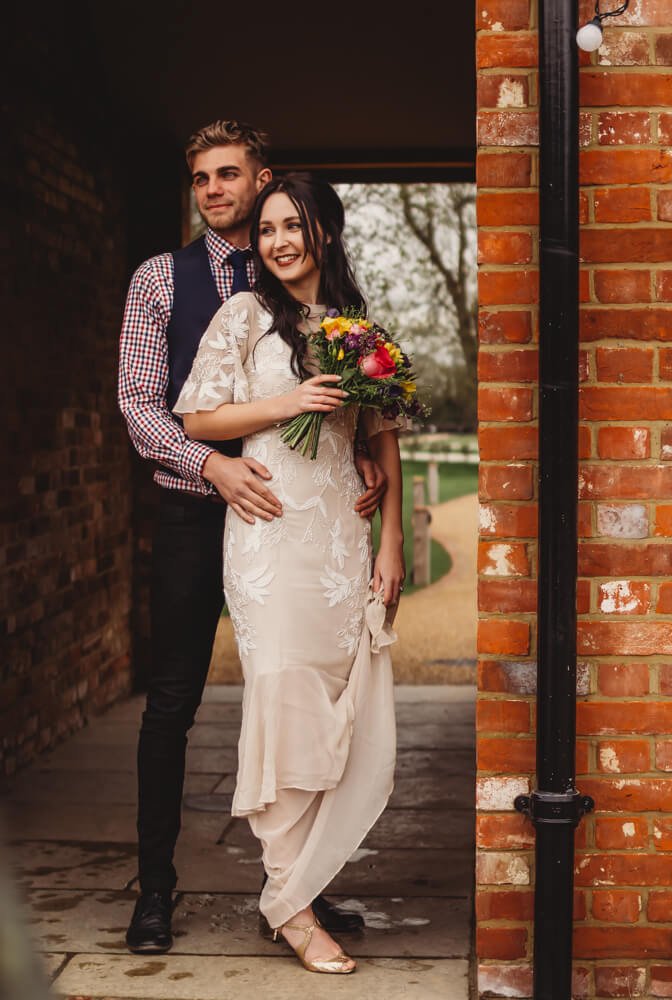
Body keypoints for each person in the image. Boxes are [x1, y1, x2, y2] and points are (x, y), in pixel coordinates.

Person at [118, 122, 386, 955]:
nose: (214, 191)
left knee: (309, 690)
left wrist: (368, 458)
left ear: (264, 181)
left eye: (228, 175)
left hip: (304, 521)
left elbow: (369, 406)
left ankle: (299, 885)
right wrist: (211, 467)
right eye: (200, 179)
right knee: (173, 702)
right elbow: (138, 401)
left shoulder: (310, 285)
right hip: (200, 513)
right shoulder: (164, 278)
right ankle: (154, 892)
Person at [173, 173, 405, 974]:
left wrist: (393, 542)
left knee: (334, 704)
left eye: (291, 226)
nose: (275, 241)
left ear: (326, 233)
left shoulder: (355, 327)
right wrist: (287, 404)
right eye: (266, 229)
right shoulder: (243, 318)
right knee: (280, 696)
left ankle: (306, 880)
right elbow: (197, 418)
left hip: (341, 538)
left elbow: (381, 435)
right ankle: (292, 908)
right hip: (269, 538)